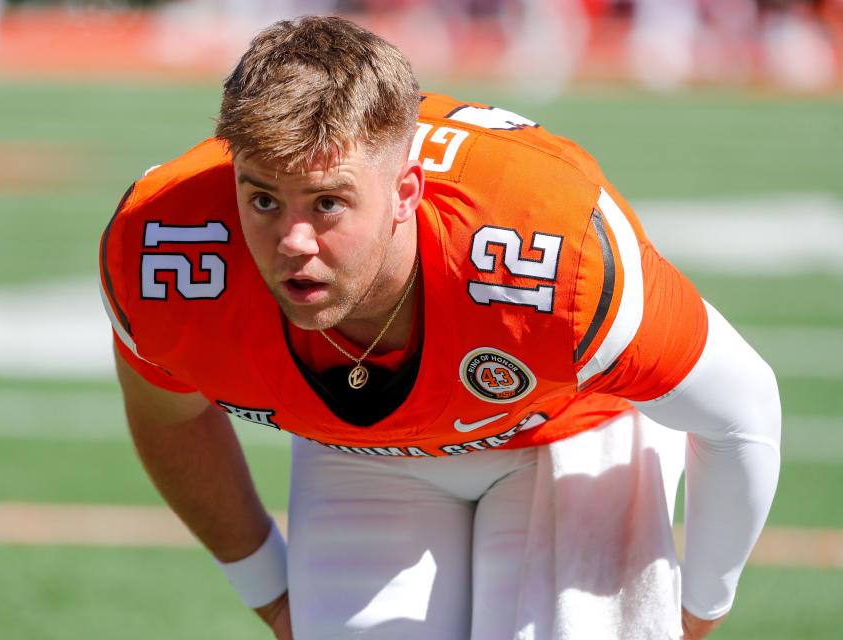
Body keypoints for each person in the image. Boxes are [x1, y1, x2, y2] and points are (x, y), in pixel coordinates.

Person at [99, 16, 780, 640]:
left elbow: (741, 409)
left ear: (406, 192)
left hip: (566, 428)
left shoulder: (553, 256)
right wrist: (271, 590)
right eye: (264, 199)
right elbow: (170, 416)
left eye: (328, 202)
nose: (292, 241)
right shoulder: (166, 247)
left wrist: (697, 609)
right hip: (359, 450)